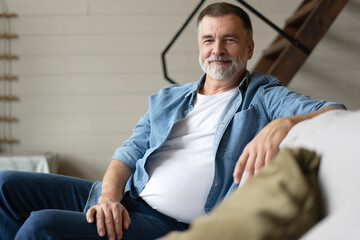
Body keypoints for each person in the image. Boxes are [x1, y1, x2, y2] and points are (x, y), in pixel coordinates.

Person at [0, 2, 345, 240]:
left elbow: (334, 110)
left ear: (249, 47)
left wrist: (282, 124)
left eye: (229, 39)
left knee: (42, 226)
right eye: (209, 40)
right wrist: (108, 197)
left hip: (165, 223)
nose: (217, 49)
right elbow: (129, 152)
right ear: (199, 47)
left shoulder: (262, 95)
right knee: (4, 186)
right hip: (125, 198)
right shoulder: (168, 99)